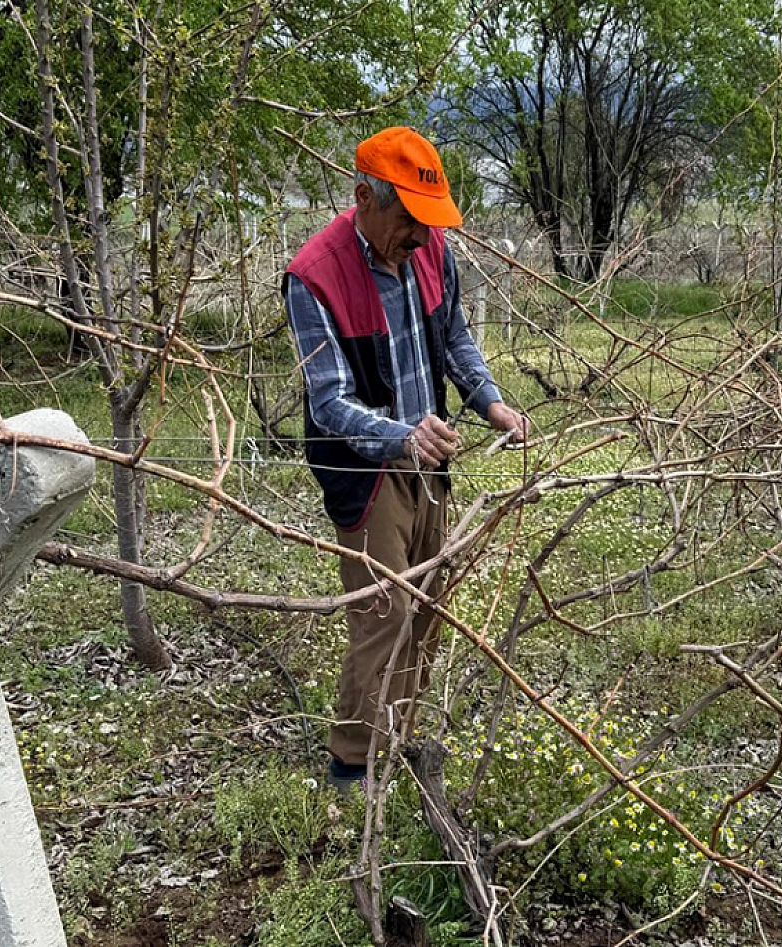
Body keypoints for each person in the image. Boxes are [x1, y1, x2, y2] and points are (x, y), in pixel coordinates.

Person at [283, 127, 529, 793]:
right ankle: (351, 765)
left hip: (430, 461)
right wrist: (402, 436)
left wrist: (491, 404)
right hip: (368, 472)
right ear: (365, 197)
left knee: (426, 605)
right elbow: (329, 401)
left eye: (429, 223)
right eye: (409, 220)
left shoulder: (430, 248)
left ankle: (399, 738)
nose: (421, 238)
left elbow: (453, 336)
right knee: (383, 612)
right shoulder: (313, 276)